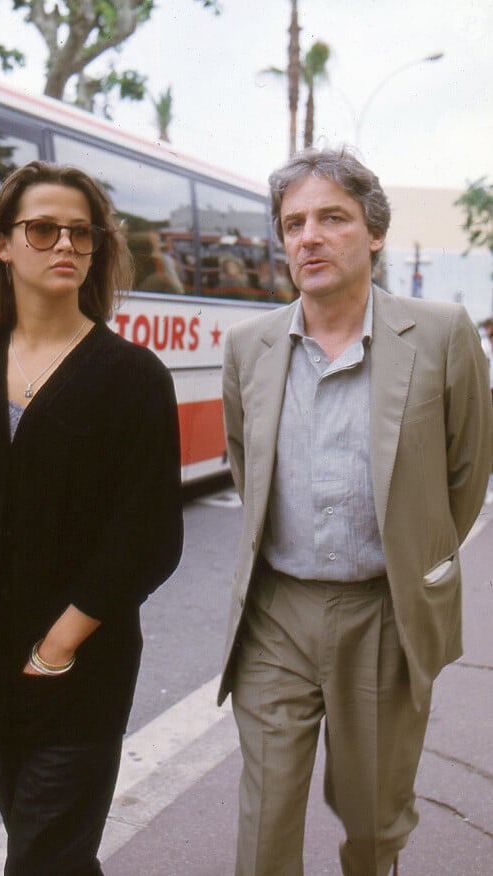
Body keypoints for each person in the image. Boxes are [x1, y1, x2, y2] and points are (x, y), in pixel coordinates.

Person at [218, 147, 493, 876]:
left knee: (373, 823)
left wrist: (415, 556)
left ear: (373, 232)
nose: (309, 237)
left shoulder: (440, 334)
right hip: (277, 615)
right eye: (293, 223)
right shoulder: (250, 347)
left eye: (331, 218)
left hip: (384, 611)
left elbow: (465, 475)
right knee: (265, 815)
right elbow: (250, 468)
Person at [0, 161, 183, 876]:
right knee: (54, 853)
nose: (64, 244)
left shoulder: (133, 376)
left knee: (40, 860)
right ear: (3, 243)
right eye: (42, 229)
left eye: (81, 233)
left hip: (80, 674)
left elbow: (150, 534)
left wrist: (61, 644)